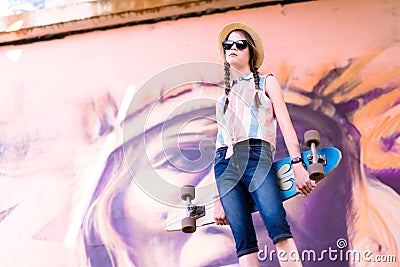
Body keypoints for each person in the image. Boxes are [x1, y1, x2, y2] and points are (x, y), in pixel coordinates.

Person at [213, 22, 316, 266]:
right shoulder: (223, 96)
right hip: (225, 165)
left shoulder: (266, 82)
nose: (233, 48)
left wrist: (297, 163)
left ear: (251, 52)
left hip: (256, 155)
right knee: (242, 238)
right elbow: (220, 143)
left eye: (240, 44)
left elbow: (285, 124)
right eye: (228, 45)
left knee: (275, 220)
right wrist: (218, 196)